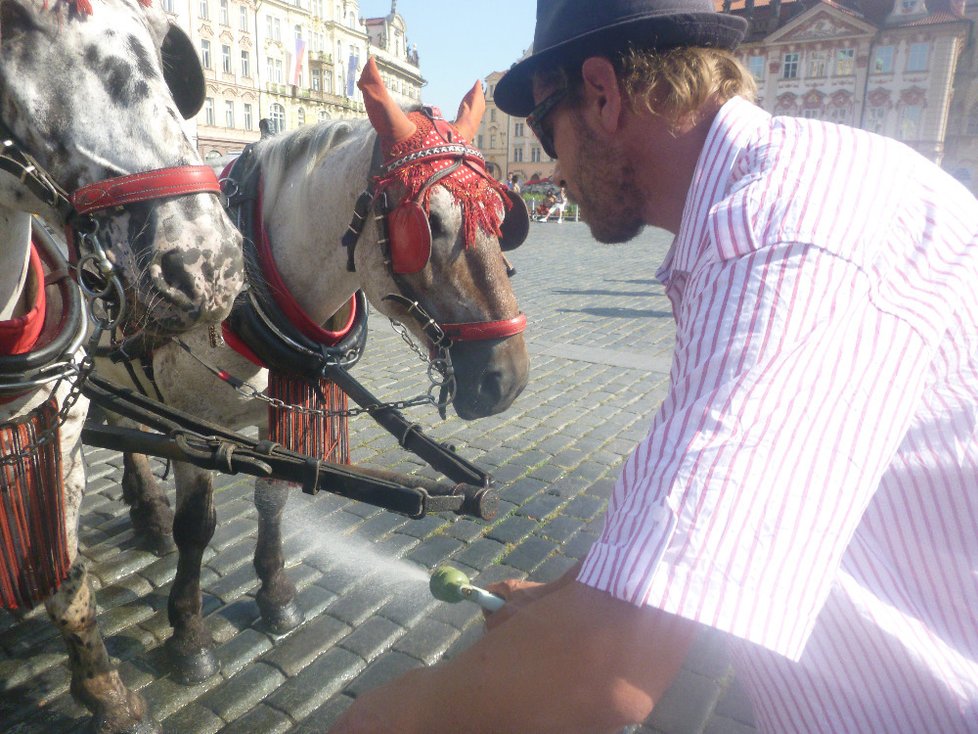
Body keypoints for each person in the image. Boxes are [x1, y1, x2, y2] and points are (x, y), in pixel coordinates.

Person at [331, 0, 978, 732]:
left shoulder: (774, 237)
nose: (551, 164)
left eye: (546, 125)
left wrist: (389, 716)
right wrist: (573, 592)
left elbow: (603, 677)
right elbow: (698, 509)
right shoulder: (767, 206)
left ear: (602, 95)